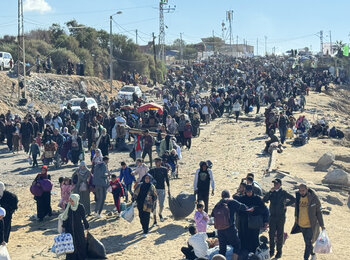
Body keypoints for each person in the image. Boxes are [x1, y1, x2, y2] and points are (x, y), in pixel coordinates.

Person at [211, 190, 252, 260]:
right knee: (237, 245)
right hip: (230, 228)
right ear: (229, 195)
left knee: (222, 248)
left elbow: (212, 215)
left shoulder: (218, 204)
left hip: (220, 230)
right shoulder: (232, 202)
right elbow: (243, 207)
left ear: (222, 196)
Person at [263, 178, 295, 259]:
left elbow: (293, 199)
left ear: (280, 184)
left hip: (281, 217)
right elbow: (264, 199)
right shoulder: (272, 193)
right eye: (274, 184)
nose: (275, 185)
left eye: (276, 184)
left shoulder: (283, 192)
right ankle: (271, 250)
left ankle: (279, 251)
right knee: (271, 234)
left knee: (280, 234)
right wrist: (270, 192)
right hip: (272, 216)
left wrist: (286, 204)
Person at [235, 185, 269, 253]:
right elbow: (238, 210)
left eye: (250, 192)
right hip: (243, 223)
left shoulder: (257, 199)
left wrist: (254, 209)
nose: (249, 193)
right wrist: (245, 209)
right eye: (247, 192)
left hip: (254, 223)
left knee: (254, 239)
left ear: (252, 191)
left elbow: (263, 209)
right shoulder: (242, 199)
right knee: (243, 239)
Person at [295, 184, 325, 260]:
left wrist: (322, 224)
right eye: (300, 190)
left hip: (310, 225)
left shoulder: (314, 198)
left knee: (308, 242)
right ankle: (313, 254)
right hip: (301, 224)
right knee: (307, 242)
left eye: (303, 190)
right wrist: (296, 217)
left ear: (307, 189)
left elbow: (318, 212)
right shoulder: (298, 196)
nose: (301, 192)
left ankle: (305, 258)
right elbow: (297, 208)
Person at [60, 194, 89, 260]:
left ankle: (81, 257)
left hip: (78, 228)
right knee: (70, 243)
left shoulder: (80, 207)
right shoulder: (68, 206)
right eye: (70, 200)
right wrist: (63, 226)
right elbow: (66, 217)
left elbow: (83, 218)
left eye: (72, 200)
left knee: (80, 243)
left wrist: (87, 226)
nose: (70, 202)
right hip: (69, 228)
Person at [149, 157, 170, 224]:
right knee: (154, 204)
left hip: (162, 188)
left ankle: (160, 213)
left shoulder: (164, 169)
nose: (156, 163)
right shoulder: (152, 170)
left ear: (160, 162)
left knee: (161, 204)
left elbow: (166, 179)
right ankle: (155, 219)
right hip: (154, 189)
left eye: (157, 161)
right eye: (155, 162)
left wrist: (169, 188)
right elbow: (147, 177)